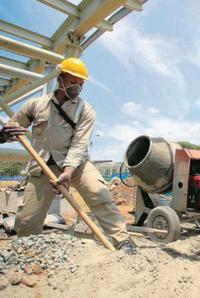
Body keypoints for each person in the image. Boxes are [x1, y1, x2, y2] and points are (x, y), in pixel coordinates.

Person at [0, 58, 136, 254]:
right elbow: (14, 128)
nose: (77, 87)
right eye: (73, 81)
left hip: (77, 165)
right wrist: (5, 134)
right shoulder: (36, 105)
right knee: (27, 220)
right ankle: (29, 252)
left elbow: (79, 145)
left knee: (100, 194)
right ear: (61, 78)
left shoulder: (86, 111)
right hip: (43, 165)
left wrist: (68, 171)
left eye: (81, 84)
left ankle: (123, 241)